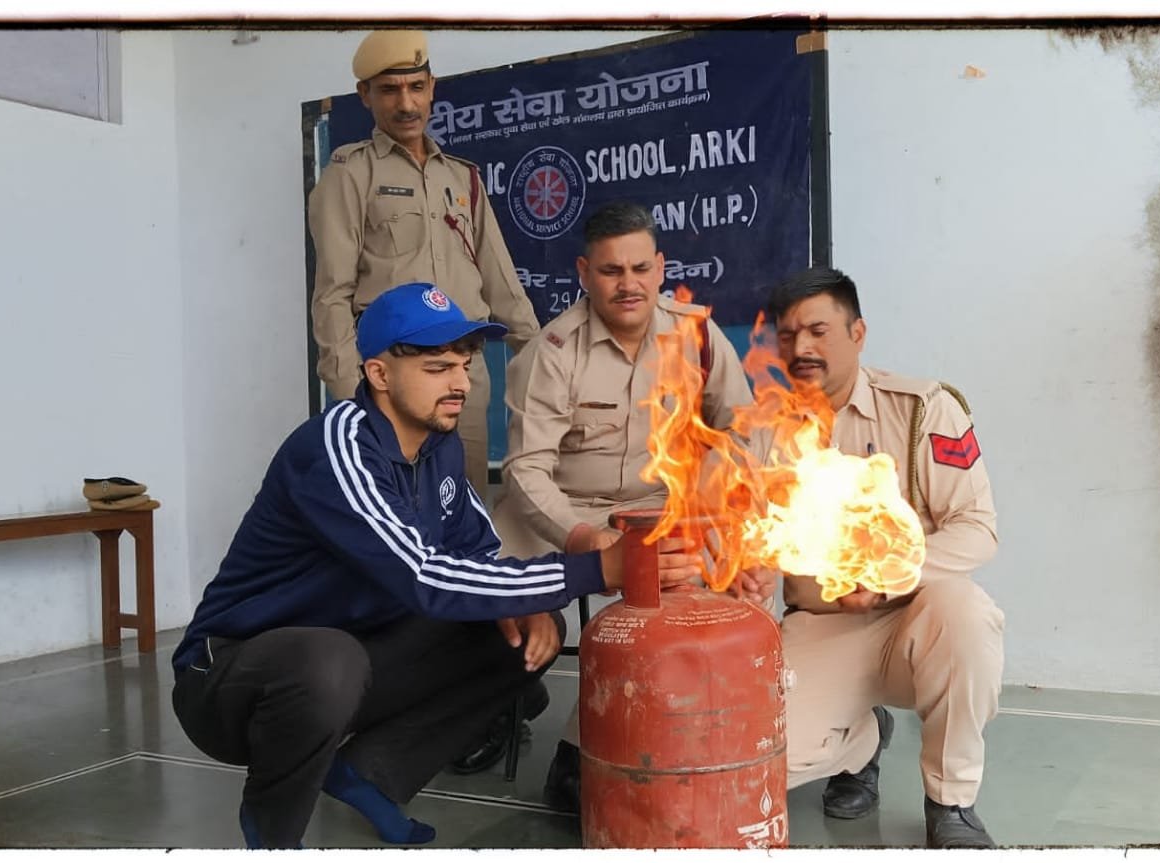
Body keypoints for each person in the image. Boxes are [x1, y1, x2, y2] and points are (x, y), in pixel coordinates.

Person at [170, 282, 699, 849]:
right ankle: (271, 833)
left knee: (521, 633)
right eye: (438, 367)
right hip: (229, 678)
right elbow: (423, 575)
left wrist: (534, 603)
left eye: (465, 365)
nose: (460, 384)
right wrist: (595, 571)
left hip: (353, 653)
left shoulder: (436, 442)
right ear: (379, 375)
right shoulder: (335, 447)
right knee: (330, 660)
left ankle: (368, 775)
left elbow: (474, 550)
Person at [491, 200, 767, 814]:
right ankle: (498, 704)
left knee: (716, 586)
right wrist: (581, 535)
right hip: (564, 507)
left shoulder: (696, 334)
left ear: (661, 267)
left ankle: (587, 748)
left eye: (641, 268)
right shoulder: (552, 349)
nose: (629, 284)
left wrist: (706, 499)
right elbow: (525, 470)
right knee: (493, 593)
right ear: (585, 272)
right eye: (612, 271)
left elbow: (744, 428)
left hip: (661, 507)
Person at [759, 265, 1004, 849]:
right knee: (758, 757)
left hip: (918, 615)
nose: (802, 348)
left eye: (818, 330)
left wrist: (887, 576)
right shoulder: (765, 428)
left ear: (858, 332)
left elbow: (977, 528)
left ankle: (953, 804)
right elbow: (758, 541)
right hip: (821, 624)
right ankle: (862, 741)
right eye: (788, 335)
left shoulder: (923, 410)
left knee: (966, 615)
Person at [308, 29, 540, 499]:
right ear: (365, 96)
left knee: (465, 506)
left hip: (465, 372)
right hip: (393, 376)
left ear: (432, 86)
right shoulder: (350, 175)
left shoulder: (463, 177)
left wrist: (542, 363)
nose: (406, 104)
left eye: (416, 87)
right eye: (390, 90)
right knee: (396, 512)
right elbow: (332, 294)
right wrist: (352, 395)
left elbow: (502, 285)